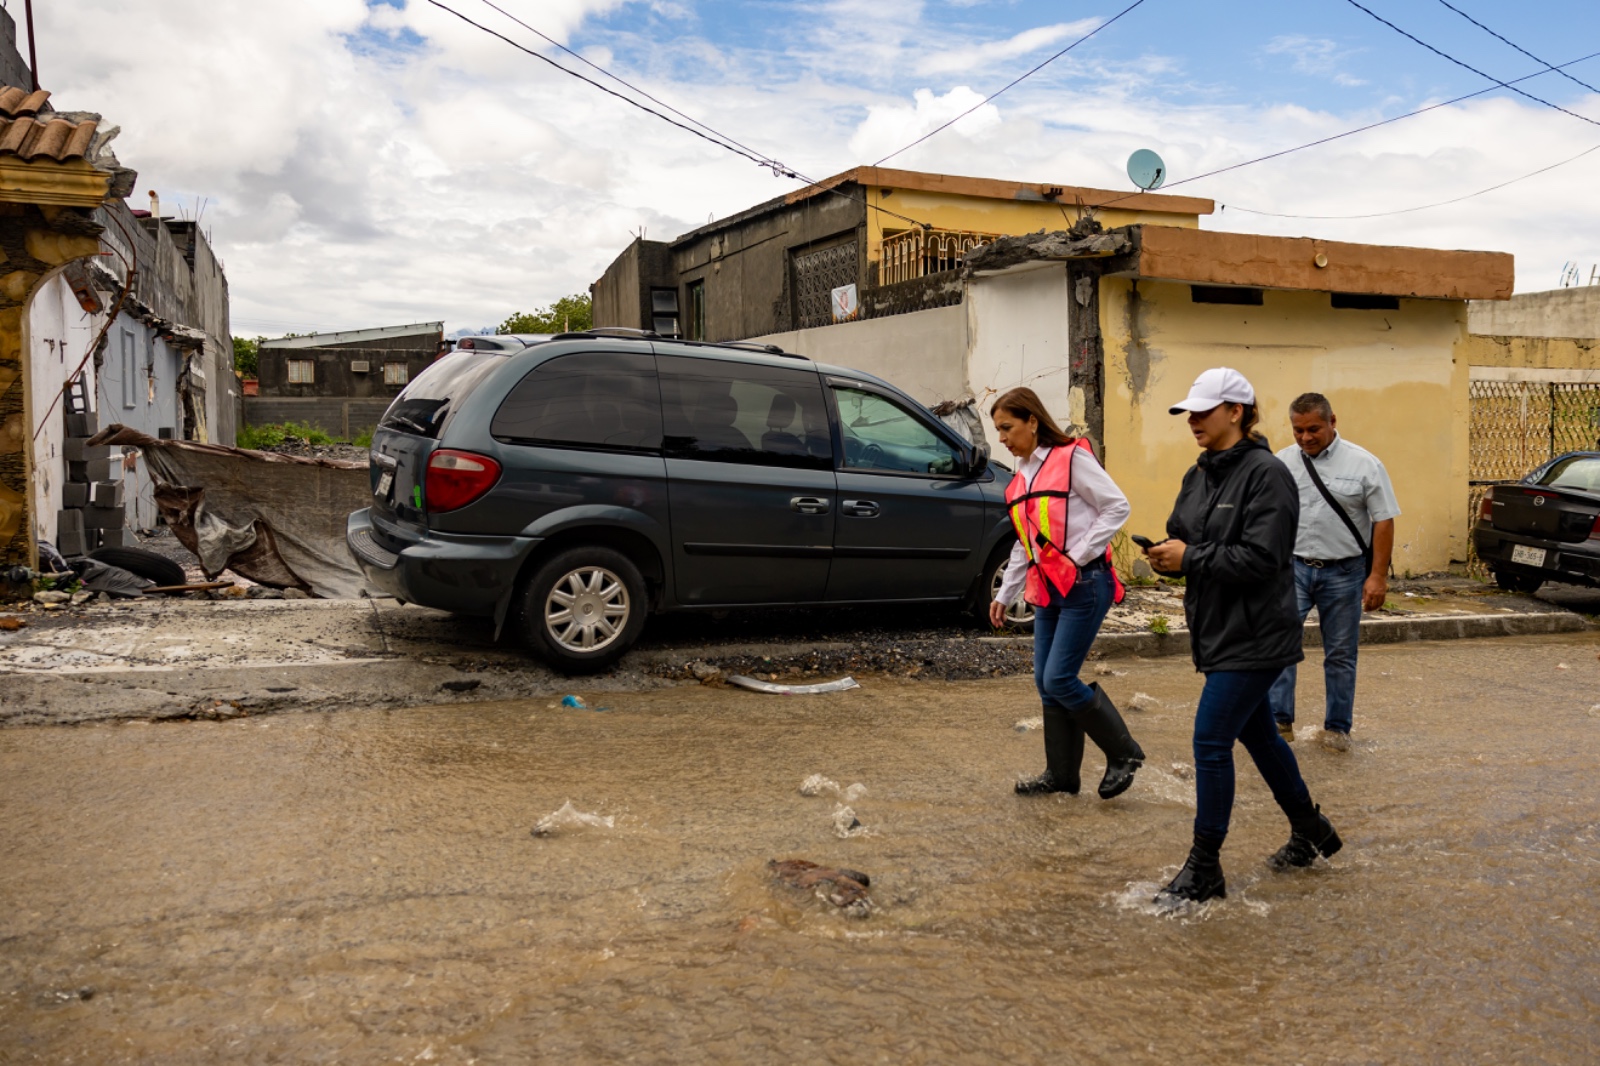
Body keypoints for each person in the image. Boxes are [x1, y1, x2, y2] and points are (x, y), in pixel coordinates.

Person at [1143, 368, 1341, 904]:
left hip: (1256, 633)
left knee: (1210, 740)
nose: (1194, 422)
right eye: (1190, 413)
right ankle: (1311, 829)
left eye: (1204, 412)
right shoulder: (1199, 474)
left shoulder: (1267, 474)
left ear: (1237, 411)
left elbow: (1264, 558)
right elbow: (1186, 535)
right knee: (1258, 736)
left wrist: (1192, 557)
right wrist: (1169, 556)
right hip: (1216, 628)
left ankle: (1205, 866)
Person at [989, 387, 1144, 801]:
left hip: (1085, 583)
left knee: (1059, 677)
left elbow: (1116, 506)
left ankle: (1125, 753)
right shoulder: (1020, 477)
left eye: (1007, 427)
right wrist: (1005, 594)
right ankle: (1061, 775)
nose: (1001, 438)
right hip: (1047, 590)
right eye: (998, 430)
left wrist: (1076, 557)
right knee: (1045, 681)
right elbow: (1024, 542)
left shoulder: (1071, 457)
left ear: (1032, 421)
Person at [1267, 393, 1400, 752]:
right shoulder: (1282, 462)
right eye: (1298, 430)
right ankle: (1279, 723)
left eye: (1313, 429)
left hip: (1345, 572)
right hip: (1292, 568)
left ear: (1332, 421)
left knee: (1340, 653)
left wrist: (1378, 577)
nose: (1305, 438)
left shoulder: (1364, 464)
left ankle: (1337, 730)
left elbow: (1383, 521)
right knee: (1279, 645)